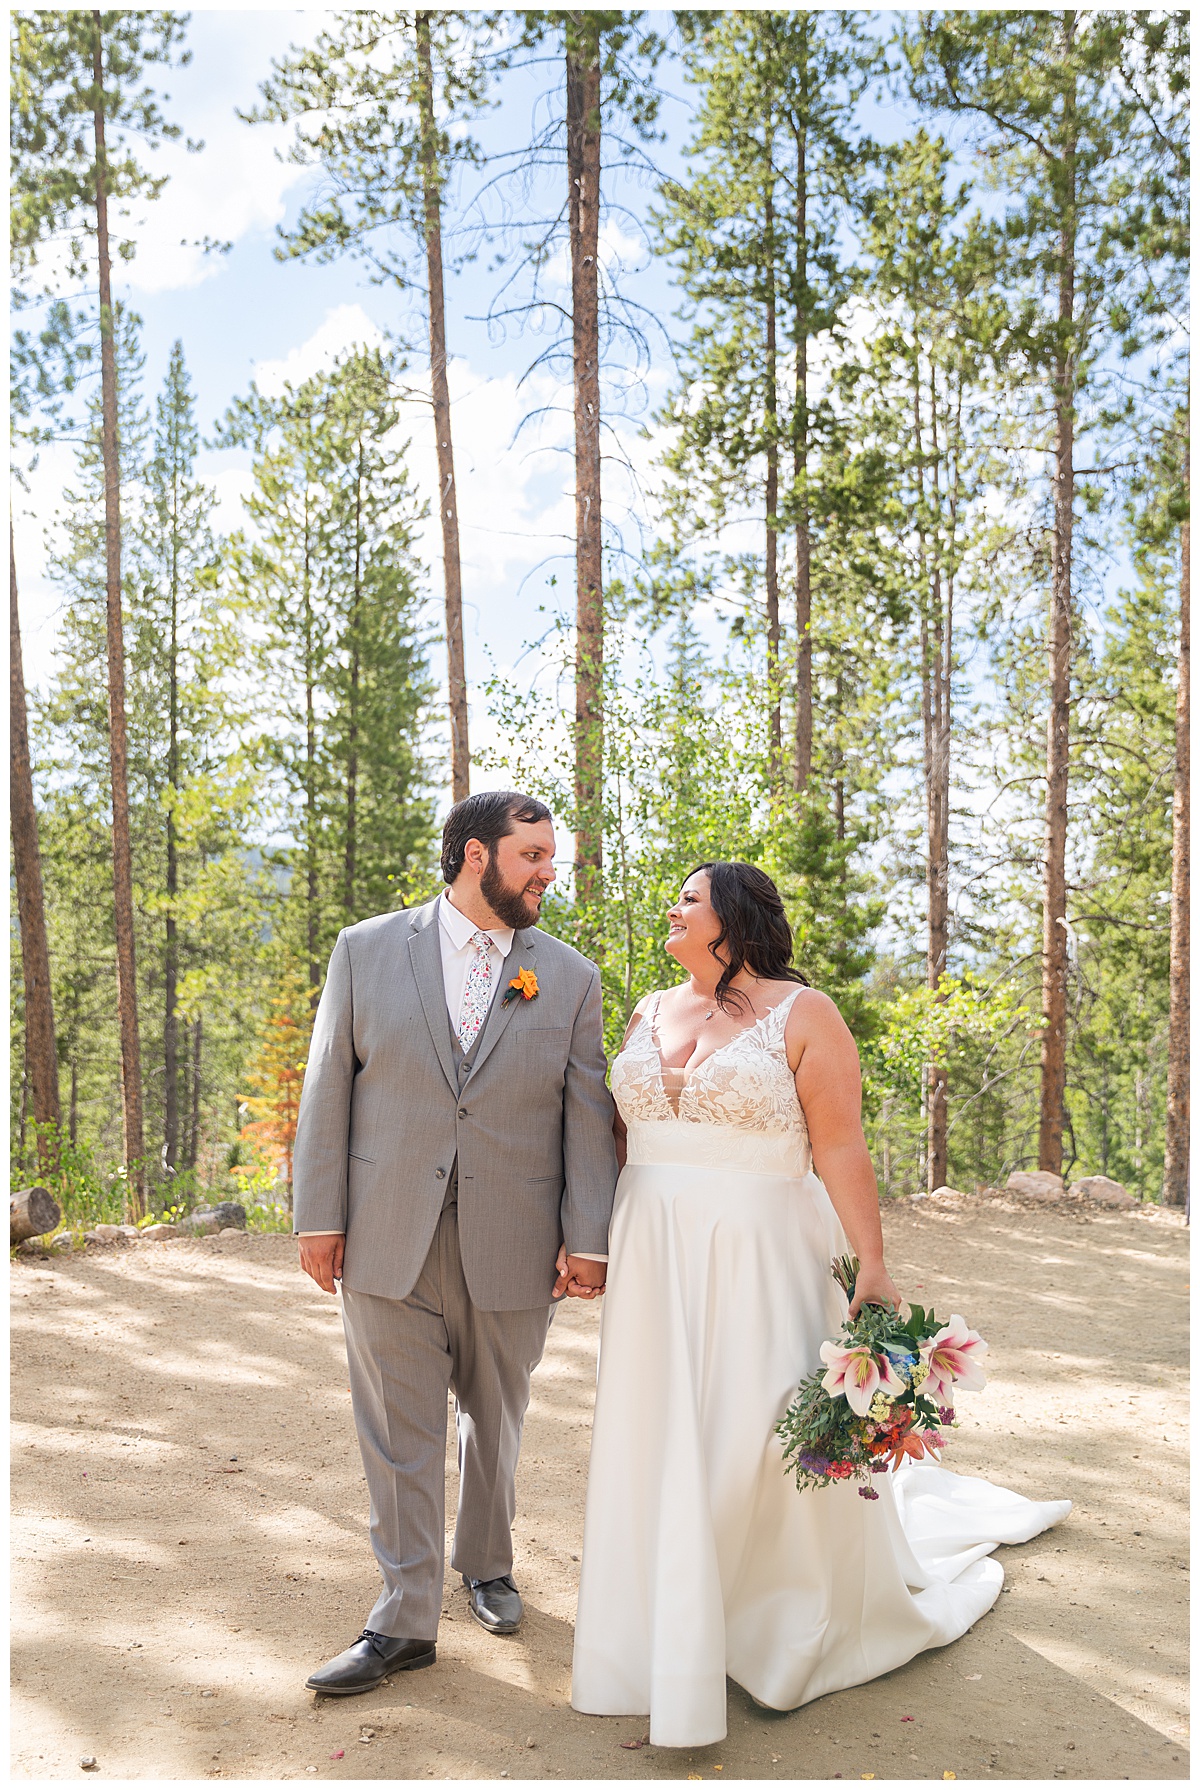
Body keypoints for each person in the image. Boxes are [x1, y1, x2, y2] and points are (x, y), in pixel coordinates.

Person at [571, 861, 1070, 1748]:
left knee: (755, 1436)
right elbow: (615, 1140)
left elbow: (840, 1146)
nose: (673, 908)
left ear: (730, 918)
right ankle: (671, 1621)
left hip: (764, 1255)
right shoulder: (647, 1009)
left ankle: (775, 1620)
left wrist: (871, 1263)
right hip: (655, 1255)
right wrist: (586, 1243)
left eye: (689, 898)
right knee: (661, 1433)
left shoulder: (806, 1016)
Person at [294, 790, 618, 1696]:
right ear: (476, 857)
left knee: (496, 1416)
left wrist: (586, 1237)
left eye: (551, 857)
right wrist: (320, 1216)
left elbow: (586, 1119)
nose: (550, 872)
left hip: (513, 1237)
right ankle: (402, 1618)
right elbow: (328, 1088)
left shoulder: (571, 975)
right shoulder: (365, 951)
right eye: (534, 856)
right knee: (399, 1434)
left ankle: (488, 1563)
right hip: (386, 1231)